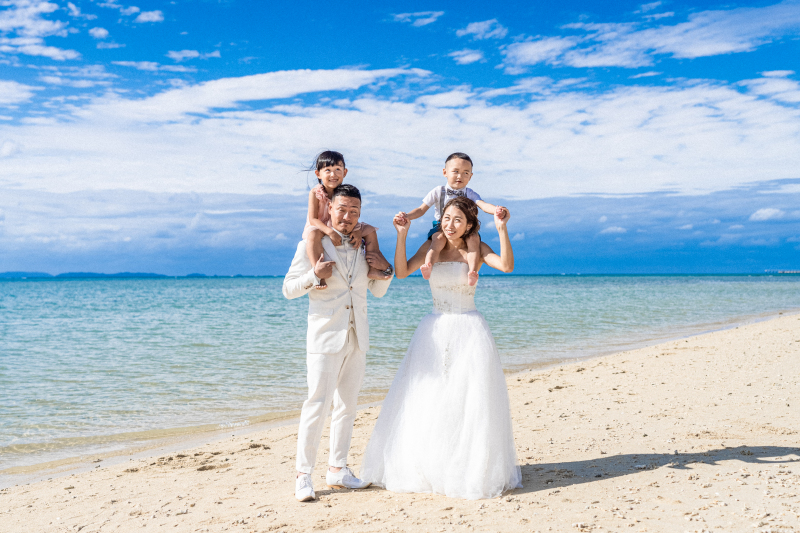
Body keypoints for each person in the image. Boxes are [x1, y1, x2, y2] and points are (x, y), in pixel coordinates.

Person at [361, 196, 522, 499]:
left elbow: (507, 266)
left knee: (468, 398)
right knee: (430, 396)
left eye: (458, 220)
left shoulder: (476, 249)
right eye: (447, 218)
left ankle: (467, 464)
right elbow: (402, 270)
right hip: (434, 327)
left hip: (469, 328)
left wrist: (501, 228)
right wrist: (402, 234)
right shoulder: (432, 247)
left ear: (470, 224)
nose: (451, 225)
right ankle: (433, 462)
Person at [283, 184, 394, 502]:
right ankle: (303, 475)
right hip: (324, 338)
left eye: (354, 211)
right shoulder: (312, 243)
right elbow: (289, 289)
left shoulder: (362, 245)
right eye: (342, 209)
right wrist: (313, 275)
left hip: (357, 337)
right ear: (329, 208)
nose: (347, 217)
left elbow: (377, 290)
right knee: (316, 405)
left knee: (347, 406)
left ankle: (338, 470)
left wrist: (383, 271)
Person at [396, 152, 508, 286]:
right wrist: (406, 217)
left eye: (466, 173)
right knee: (438, 240)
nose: (460, 176)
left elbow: (483, 205)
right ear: (445, 172)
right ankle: (429, 264)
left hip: (467, 230)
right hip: (439, 226)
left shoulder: (470, 193)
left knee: (474, 240)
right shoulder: (438, 191)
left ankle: (472, 271)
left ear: (471, 176)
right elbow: (421, 209)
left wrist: (497, 211)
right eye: (455, 171)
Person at [302, 151, 389, 289]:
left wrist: (359, 231)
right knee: (313, 235)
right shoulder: (315, 192)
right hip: (321, 226)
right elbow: (313, 219)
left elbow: (351, 215)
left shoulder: (344, 192)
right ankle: (319, 274)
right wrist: (329, 232)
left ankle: (373, 268)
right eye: (328, 170)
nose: (333, 174)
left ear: (345, 172)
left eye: (338, 169)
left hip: (341, 225)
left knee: (370, 230)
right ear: (318, 174)